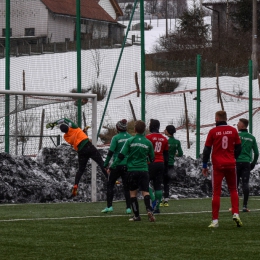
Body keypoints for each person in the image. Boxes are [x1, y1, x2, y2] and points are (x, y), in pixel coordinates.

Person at [46, 118, 108, 196]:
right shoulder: (73, 127)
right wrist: (54, 123)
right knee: (101, 162)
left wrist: (83, 131)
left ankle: (76, 185)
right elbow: (65, 119)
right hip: (88, 146)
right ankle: (109, 177)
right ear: (68, 126)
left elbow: (75, 139)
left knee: (81, 170)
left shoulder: (65, 137)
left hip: (81, 151)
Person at [108, 120, 155, 222]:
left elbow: (121, 155)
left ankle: (137, 216)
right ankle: (149, 209)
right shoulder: (148, 142)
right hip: (143, 170)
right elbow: (152, 158)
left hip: (132, 170)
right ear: (143, 130)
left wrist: (112, 166)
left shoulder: (130, 141)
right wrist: (146, 160)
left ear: (135, 129)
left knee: (133, 194)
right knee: (145, 192)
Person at [202, 110, 242, 228]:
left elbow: (207, 150)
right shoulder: (233, 130)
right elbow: (239, 147)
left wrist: (204, 165)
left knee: (216, 192)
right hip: (230, 164)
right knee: (233, 189)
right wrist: (233, 157)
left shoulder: (213, 131)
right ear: (226, 118)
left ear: (217, 119)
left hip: (218, 165)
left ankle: (215, 221)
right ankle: (235, 213)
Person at [101, 119, 132, 214]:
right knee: (127, 187)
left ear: (117, 127)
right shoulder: (131, 137)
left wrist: (105, 164)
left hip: (117, 165)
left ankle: (109, 206)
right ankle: (128, 208)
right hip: (127, 165)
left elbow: (110, 152)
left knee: (110, 184)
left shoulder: (115, 138)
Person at [236, 118, 259, 212]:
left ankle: (235, 207)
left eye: (238, 123)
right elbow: (257, 153)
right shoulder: (252, 137)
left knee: (235, 185)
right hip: (246, 163)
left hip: (236, 163)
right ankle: (245, 206)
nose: (237, 125)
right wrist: (253, 163)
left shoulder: (236, 136)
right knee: (245, 183)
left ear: (242, 125)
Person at [146, 119, 168, 214]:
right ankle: (157, 208)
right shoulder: (164, 138)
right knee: (158, 186)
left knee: (145, 184)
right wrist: (165, 167)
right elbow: (166, 155)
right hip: (161, 163)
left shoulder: (148, 137)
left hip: (151, 163)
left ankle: (154, 201)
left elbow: (145, 151)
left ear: (152, 126)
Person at [160, 125, 183, 207]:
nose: (164, 130)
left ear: (168, 131)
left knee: (159, 182)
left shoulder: (164, 141)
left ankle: (159, 200)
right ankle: (166, 201)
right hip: (171, 165)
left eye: (165, 130)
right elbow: (180, 153)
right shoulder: (177, 142)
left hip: (163, 163)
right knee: (167, 183)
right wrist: (174, 155)